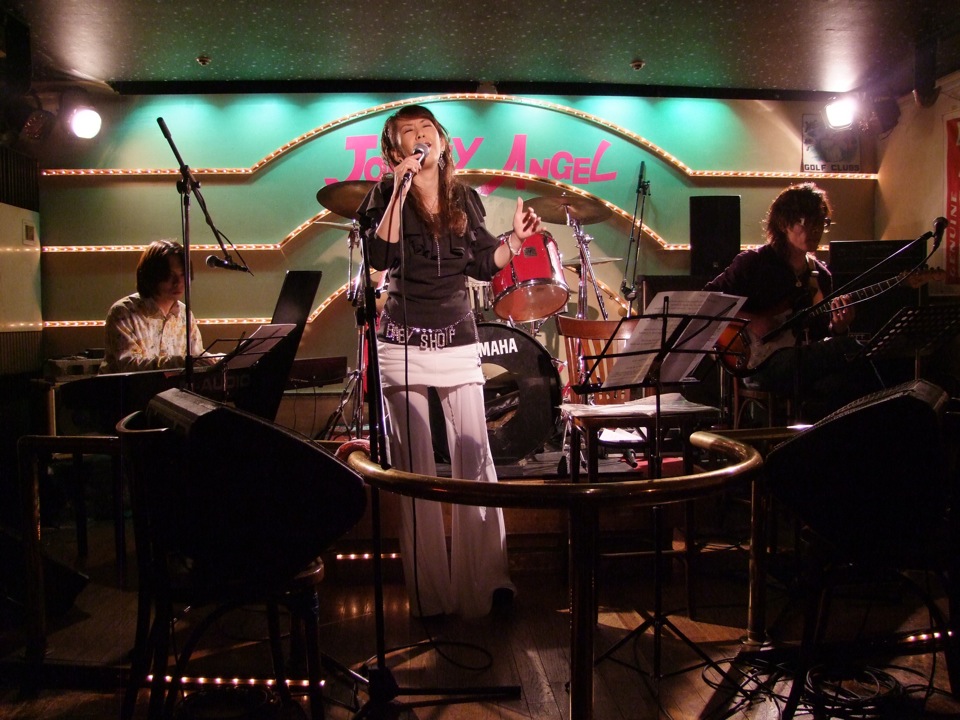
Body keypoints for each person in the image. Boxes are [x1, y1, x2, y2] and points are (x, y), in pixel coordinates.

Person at [356, 104, 540, 617]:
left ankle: (488, 583)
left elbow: (483, 263)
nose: (419, 137)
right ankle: (431, 596)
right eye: (407, 133)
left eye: (426, 129)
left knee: (474, 459)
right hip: (402, 341)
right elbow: (379, 260)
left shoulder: (463, 197)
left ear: (441, 139)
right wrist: (399, 189)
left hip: (456, 337)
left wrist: (514, 242)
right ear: (394, 149)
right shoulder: (384, 195)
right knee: (414, 470)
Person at [704, 182, 880, 420]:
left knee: (844, 384)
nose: (816, 229)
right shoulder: (753, 263)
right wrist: (751, 320)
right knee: (849, 348)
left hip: (802, 363)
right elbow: (708, 300)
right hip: (760, 363)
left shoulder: (820, 275)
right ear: (784, 224)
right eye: (808, 222)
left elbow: (820, 335)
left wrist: (838, 327)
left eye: (821, 222)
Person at [100, 239, 212, 373]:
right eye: (169, 275)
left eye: (183, 275)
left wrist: (219, 360)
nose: (178, 282)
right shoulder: (123, 312)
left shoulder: (184, 314)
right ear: (151, 276)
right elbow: (129, 365)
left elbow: (197, 355)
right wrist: (182, 363)